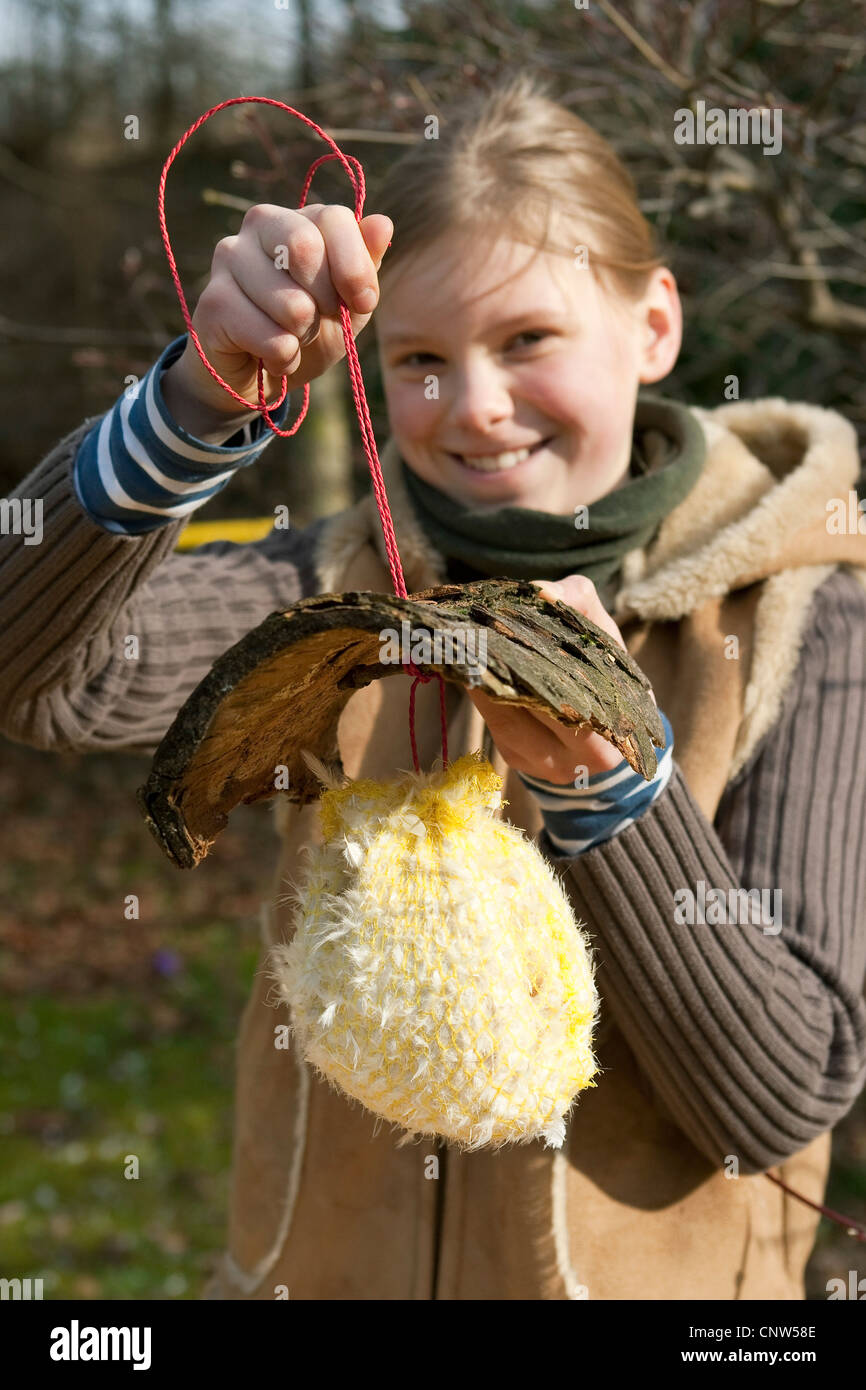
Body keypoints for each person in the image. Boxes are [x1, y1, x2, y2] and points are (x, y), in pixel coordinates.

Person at [2, 71, 865, 1301]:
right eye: (415, 358)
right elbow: (39, 680)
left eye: (526, 340)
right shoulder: (333, 588)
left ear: (654, 325)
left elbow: (775, 1098)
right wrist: (190, 406)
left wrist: (609, 789)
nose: (473, 409)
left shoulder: (805, 617)